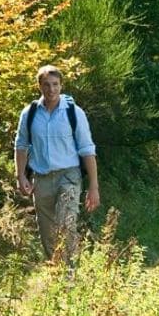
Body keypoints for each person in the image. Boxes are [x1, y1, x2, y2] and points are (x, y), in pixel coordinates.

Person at [14, 65, 100, 260]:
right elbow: (21, 146)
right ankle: (56, 273)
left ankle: (70, 274)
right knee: (47, 232)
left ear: (61, 86)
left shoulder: (74, 113)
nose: (51, 89)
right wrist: (20, 176)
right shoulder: (30, 114)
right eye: (47, 85)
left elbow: (87, 150)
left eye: (55, 85)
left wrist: (93, 187)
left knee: (65, 223)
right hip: (41, 178)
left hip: (68, 176)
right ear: (39, 87)